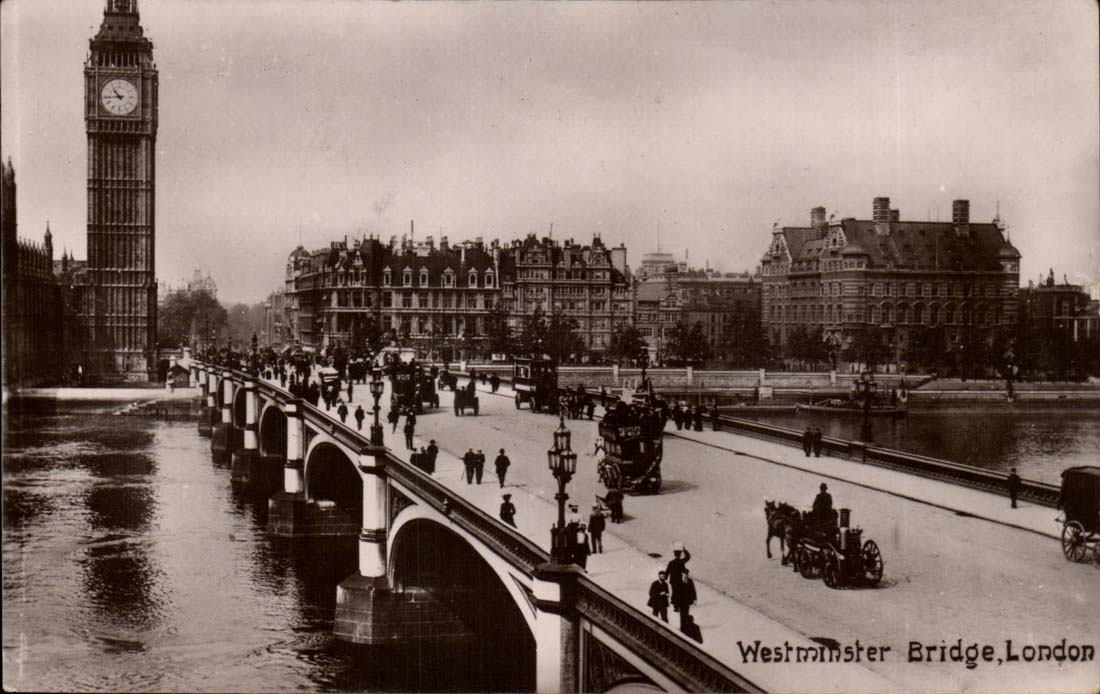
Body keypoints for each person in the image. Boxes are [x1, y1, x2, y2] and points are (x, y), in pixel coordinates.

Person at [665, 543, 691, 611]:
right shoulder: (681, 562)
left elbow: (667, 571)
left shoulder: (671, 562)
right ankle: (677, 605)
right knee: (679, 592)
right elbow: (688, 557)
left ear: (674, 555)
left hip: (673, 580)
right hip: (679, 580)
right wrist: (684, 550)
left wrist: (665, 577)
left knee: (675, 592)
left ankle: (675, 605)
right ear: (680, 555)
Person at [674, 566, 698, 632]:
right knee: (682, 615)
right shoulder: (678, 581)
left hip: (687, 601)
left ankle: (685, 626)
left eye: (687, 574)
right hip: (681, 601)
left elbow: (693, 590)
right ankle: (682, 627)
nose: (686, 575)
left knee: (686, 614)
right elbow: (676, 592)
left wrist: (694, 599)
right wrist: (675, 603)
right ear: (682, 574)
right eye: (685, 573)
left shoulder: (690, 581)